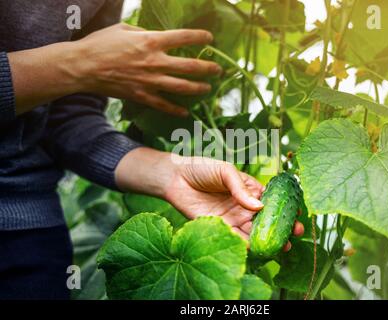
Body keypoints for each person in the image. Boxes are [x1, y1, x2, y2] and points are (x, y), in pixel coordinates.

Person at [0, 0, 304, 299]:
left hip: (35, 233)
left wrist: (173, 174)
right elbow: (75, 72)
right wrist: (78, 63)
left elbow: (66, 119)